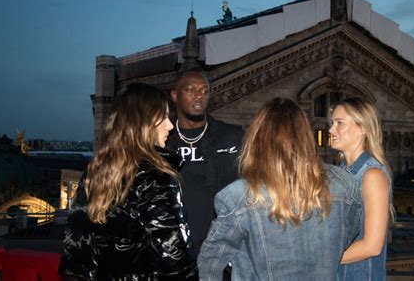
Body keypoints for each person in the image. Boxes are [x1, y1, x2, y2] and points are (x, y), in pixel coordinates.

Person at [197, 97, 362, 280]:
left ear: (257, 139)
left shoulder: (237, 197)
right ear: (305, 136)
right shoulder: (345, 184)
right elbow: (346, 236)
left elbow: (210, 262)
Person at [58, 83, 198, 280]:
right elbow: (173, 256)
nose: (170, 125)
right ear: (144, 123)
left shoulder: (96, 171)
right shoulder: (155, 176)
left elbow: (76, 250)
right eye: (164, 117)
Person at [167, 69, 244, 254]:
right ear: (175, 95)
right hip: (172, 251)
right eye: (190, 90)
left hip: (221, 250)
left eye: (204, 91)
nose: (199, 96)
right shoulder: (162, 140)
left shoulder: (232, 137)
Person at [329, 96, 392, 281]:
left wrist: (319, 259)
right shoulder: (339, 173)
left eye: (339, 123)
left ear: (362, 128)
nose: (331, 129)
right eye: (332, 123)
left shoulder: (372, 175)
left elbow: (372, 246)